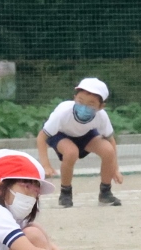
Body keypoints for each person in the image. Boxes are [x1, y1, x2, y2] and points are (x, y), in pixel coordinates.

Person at [36, 77, 122, 208]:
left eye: (91, 104)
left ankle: (105, 193)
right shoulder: (63, 112)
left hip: (86, 134)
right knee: (71, 152)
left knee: (108, 150)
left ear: (101, 106)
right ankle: (65, 193)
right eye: (80, 101)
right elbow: (41, 137)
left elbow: (111, 140)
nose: (84, 107)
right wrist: (46, 165)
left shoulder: (101, 116)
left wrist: (115, 168)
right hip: (60, 134)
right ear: (74, 98)